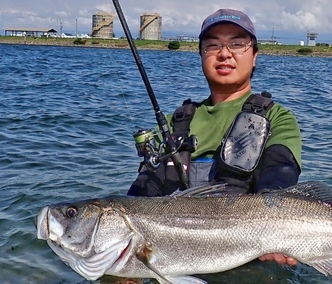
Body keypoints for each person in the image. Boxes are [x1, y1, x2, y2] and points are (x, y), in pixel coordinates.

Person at [128, 9, 301, 266]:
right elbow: (141, 196)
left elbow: (280, 173)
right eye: (212, 45)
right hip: (176, 255)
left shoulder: (278, 117)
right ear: (201, 56)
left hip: (253, 258)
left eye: (237, 43)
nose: (224, 53)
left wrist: (272, 227)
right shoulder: (174, 122)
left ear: (255, 56)